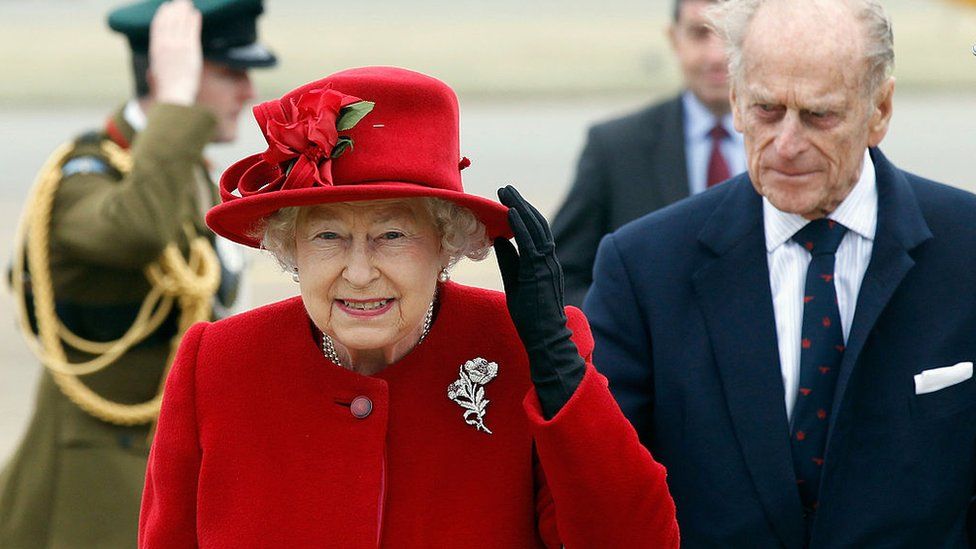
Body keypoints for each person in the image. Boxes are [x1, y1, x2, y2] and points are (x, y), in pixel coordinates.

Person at [137, 66, 680, 547]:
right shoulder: (217, 363)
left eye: (391, 234)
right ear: (289, 247)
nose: (358, 272)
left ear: (447, 243)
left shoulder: (521, 352)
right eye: (327, 236)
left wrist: (559, 374)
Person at [585, 0, 976, 546]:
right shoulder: (644, 267)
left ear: (880, 110)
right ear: (738, 104)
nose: (787, 146)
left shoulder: (967, 248)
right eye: (767, 111)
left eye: (819, 115)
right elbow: (603, 495)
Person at [0, 1, 275, 546]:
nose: (247, 91)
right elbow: (137, 231)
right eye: (228, 73)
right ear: (168, 74)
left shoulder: (182, 171)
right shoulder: (84, 175)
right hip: (92, 491)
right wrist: (175, 101)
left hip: (164, 463)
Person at [551, 0, 746, 306]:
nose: (716, 55)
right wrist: (624, 331)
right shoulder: (615, 149)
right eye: (699, 33)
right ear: (674, 39)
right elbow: (558, 279)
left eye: (731, 36)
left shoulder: (792, 147)